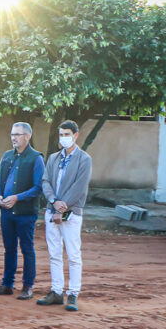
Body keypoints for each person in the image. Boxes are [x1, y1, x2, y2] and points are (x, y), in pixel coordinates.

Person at [38, 120, 93, 312]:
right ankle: (56, 291)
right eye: (61, 134)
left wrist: (62, 209)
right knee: (54, 253)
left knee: (73, 254)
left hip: (71, 210)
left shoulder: (84, 159)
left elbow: (79, 187)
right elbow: (45, 181)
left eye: (67, 134)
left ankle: (73, 294)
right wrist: (54, 202)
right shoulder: (53, 158)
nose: (63, 138)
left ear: (76, 135)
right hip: (52, 209)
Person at [0, 122, 45, 300]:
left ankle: (27, 286)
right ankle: (7, 284)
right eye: (12, 134)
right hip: (6, 212)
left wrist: (17, 198)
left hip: (25, 213)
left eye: (18, 134)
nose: (14, 138)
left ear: (27, 136)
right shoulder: (7, 156)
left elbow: (38, 188)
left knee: (27, 249)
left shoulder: (36, 158)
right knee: (9, 249)